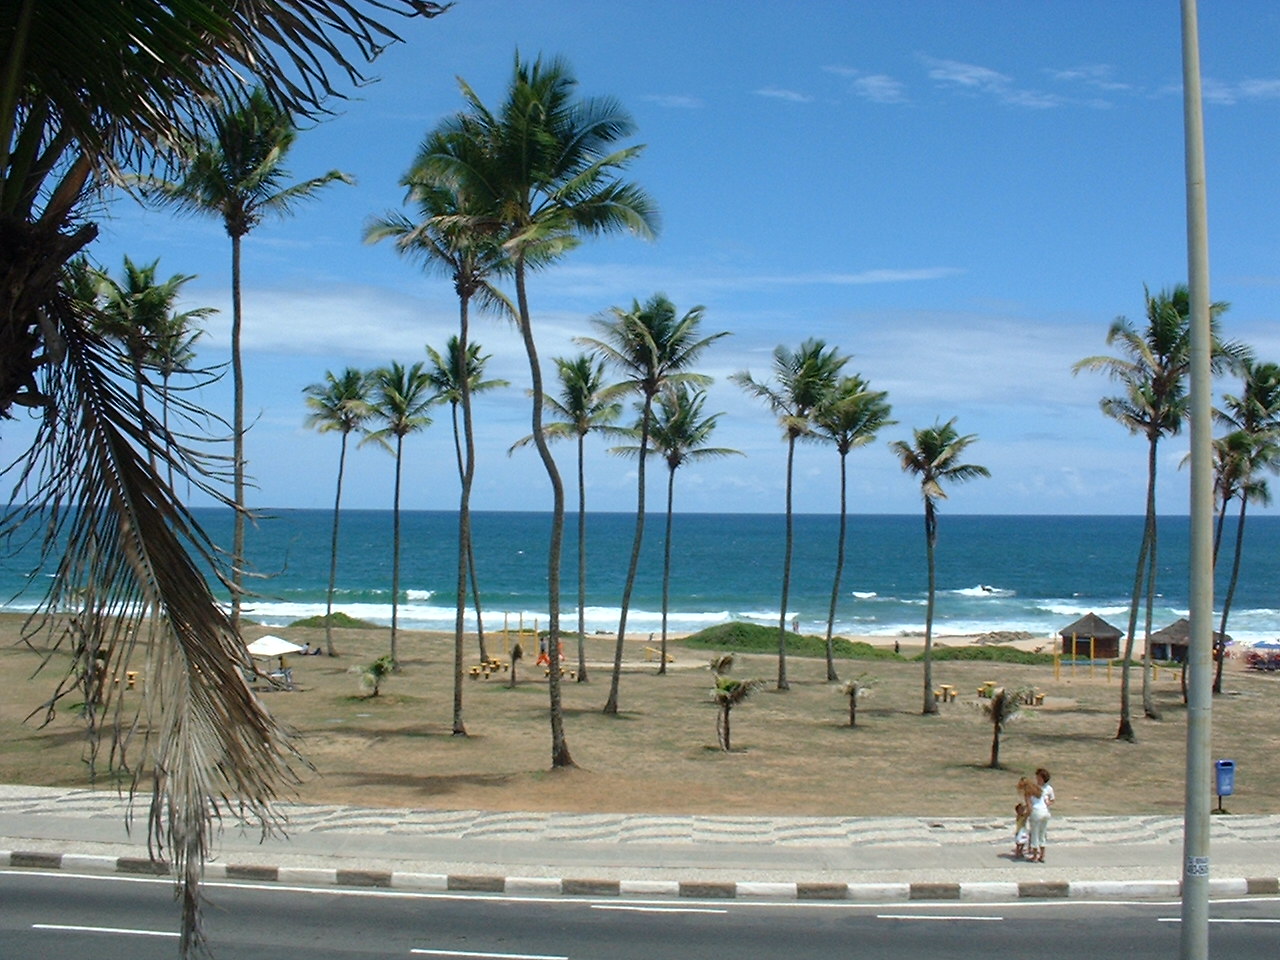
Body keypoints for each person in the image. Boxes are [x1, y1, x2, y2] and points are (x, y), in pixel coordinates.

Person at [1025, 767, 1054, 863]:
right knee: (1042, 833)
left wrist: (1027, 815)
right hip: (1045, 812)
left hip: (1036, 811)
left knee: (1035, 834)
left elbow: (1029, 804)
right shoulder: (1042, 788)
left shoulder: (1032, 789)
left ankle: (1035, 856)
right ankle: (1042, 855)